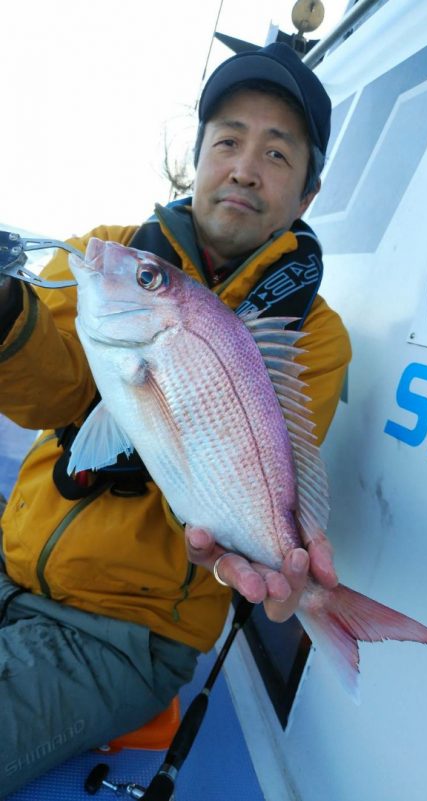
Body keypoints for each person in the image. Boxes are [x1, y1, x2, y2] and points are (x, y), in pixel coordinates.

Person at [0, 42, 350, 796]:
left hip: (126, 635)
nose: (245, 169)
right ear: (197, 158)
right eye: (227, 141)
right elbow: (50, 398)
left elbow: (237, 477)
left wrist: (267, 554)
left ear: (308, 194)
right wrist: (4, 312)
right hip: (10, 559)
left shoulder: (314, 337)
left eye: (277, 154)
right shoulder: (114, 255)